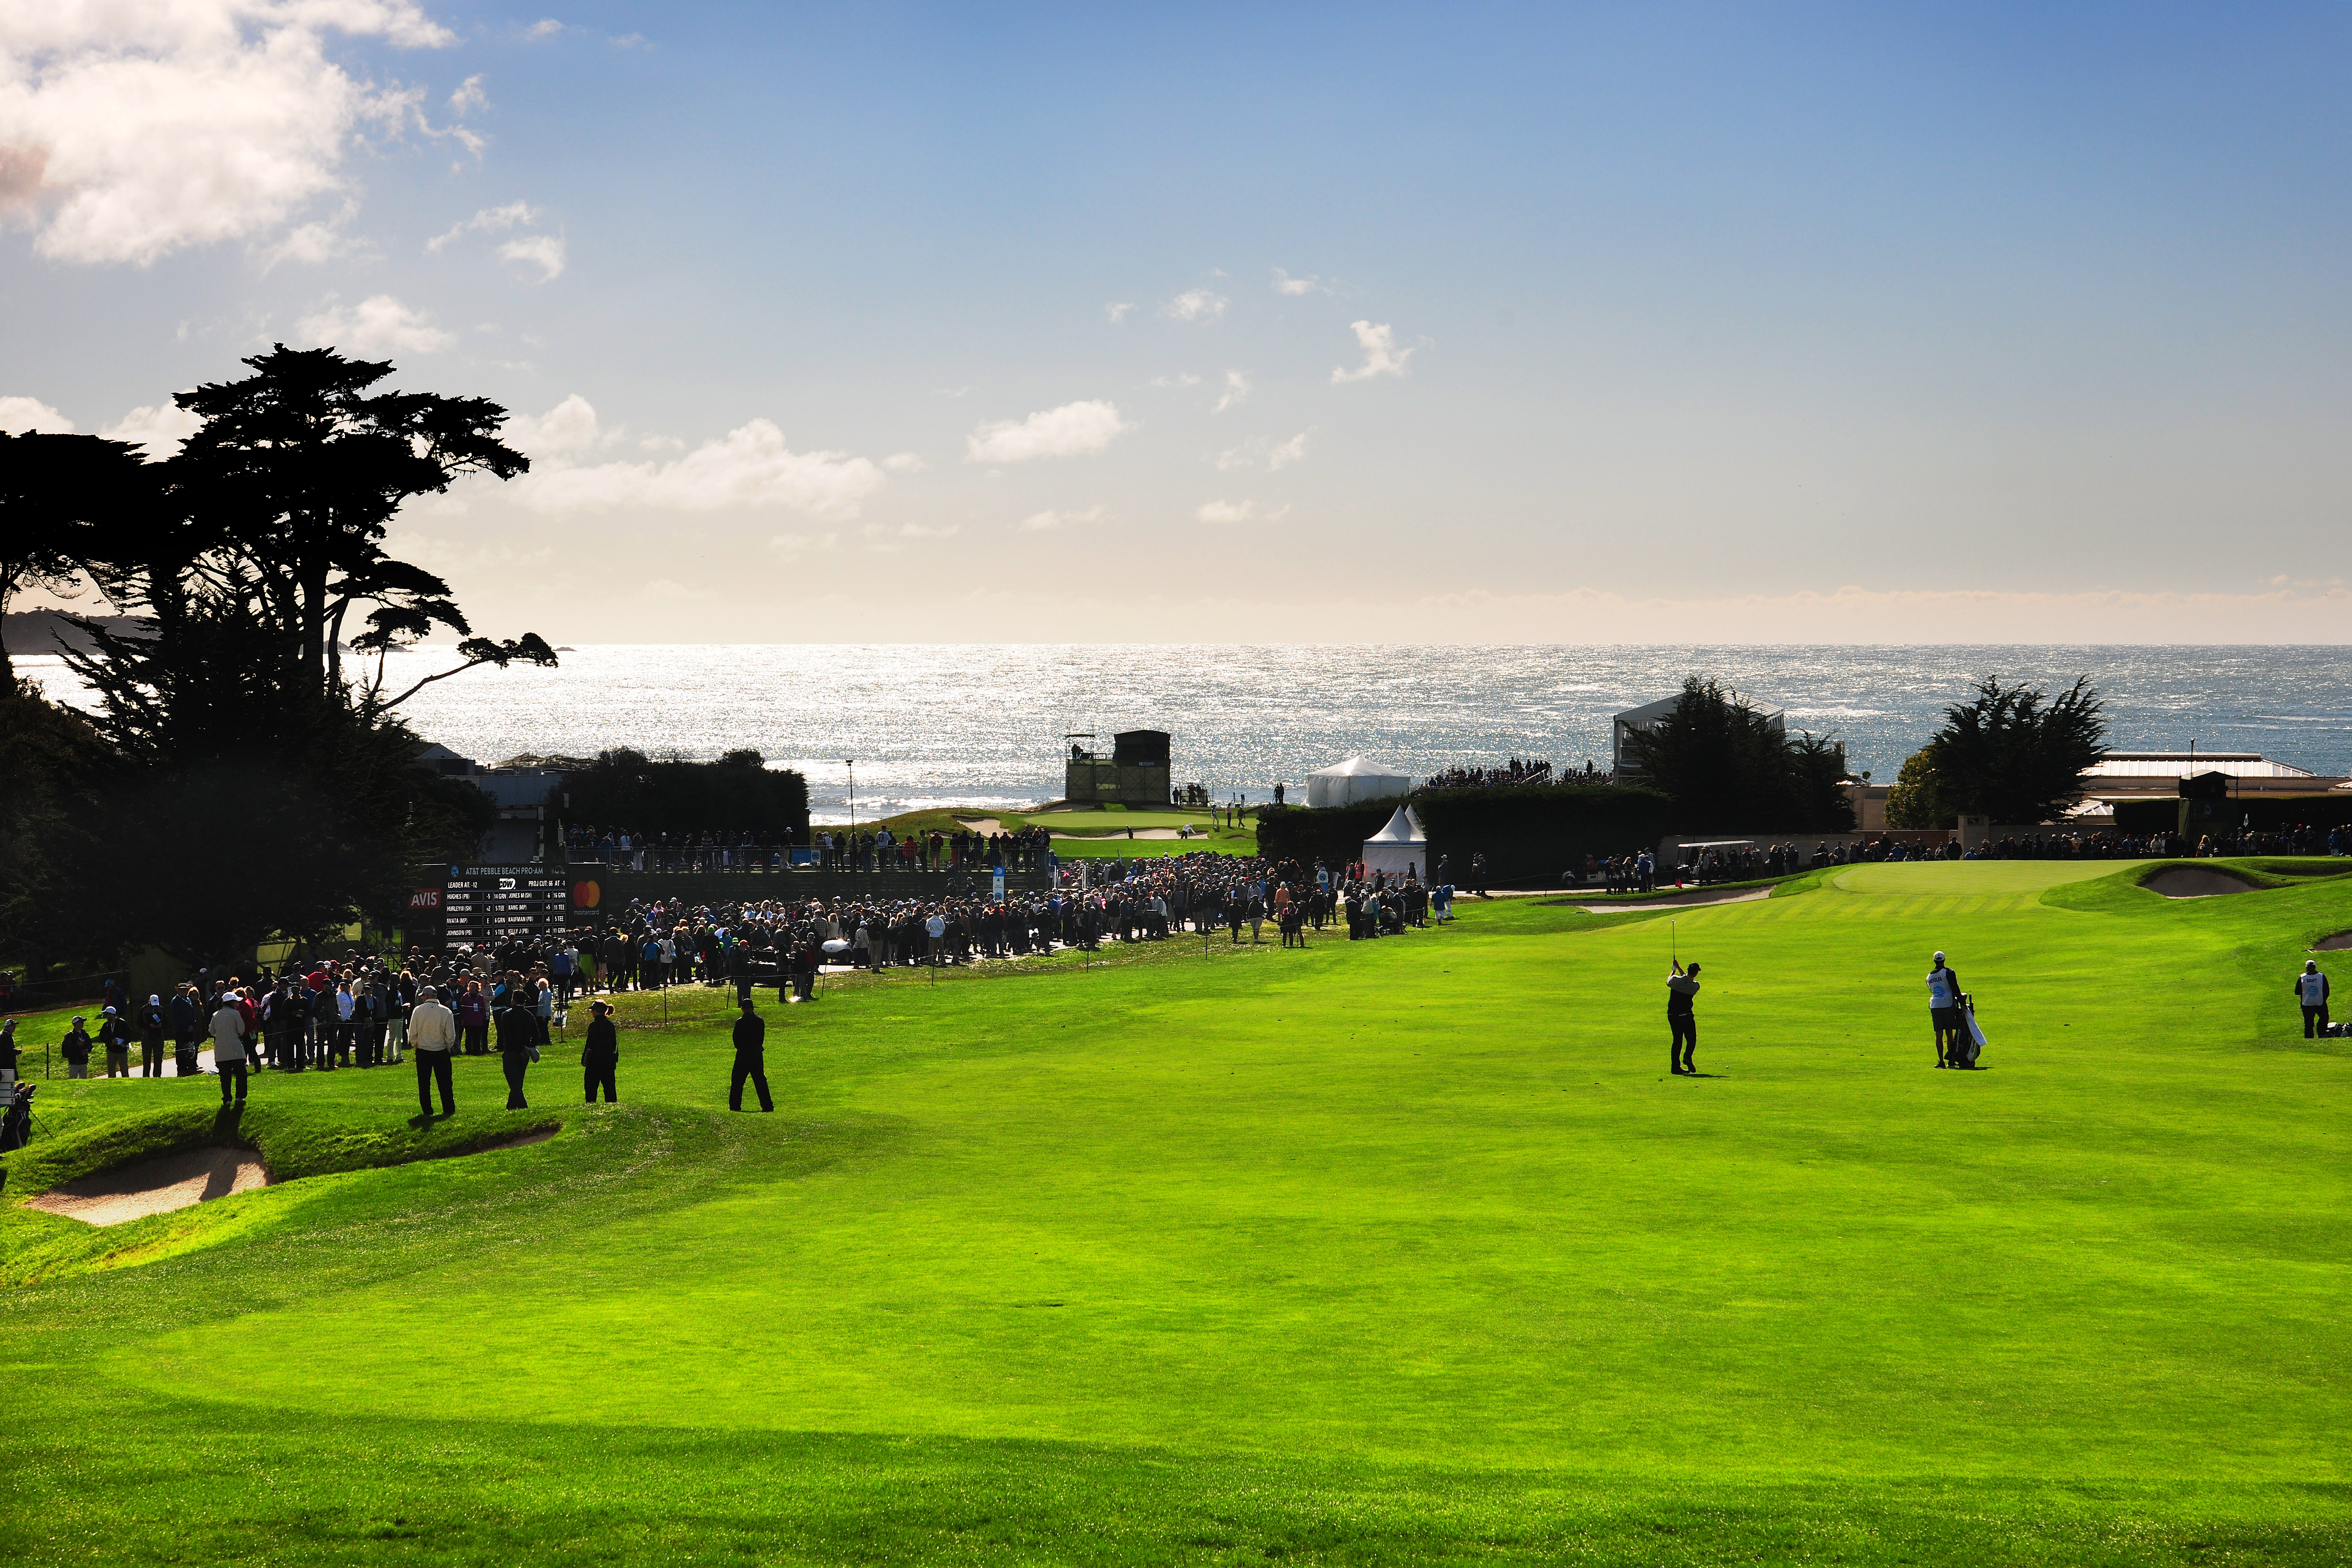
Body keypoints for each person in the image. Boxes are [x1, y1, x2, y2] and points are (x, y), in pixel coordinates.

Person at [409, 984, 458, 1117]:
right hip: (441, 1050)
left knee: (424, 1083)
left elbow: (412, 1034)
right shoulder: (446, 1011)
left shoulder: (418, 1011)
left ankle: (427, 1110)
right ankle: (448, 1108)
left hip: (423, 1051)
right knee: (446, 1083)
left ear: (426, 996)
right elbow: (451, 1035)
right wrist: (447, 1047)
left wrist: (417, 1046)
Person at [494, 991, 537, 1110]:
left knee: (515, 1085)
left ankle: (524, 1108)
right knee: (518, 1082)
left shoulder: (506, 1015)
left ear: (513, 999)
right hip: (525, 1055)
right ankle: (511, 1108)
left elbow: (507, 1036)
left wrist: (520, 1048)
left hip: (511, 1052)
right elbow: (537, 1036)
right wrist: (527, 1048)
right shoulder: (529, 1015)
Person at [729, 997, 773, 1112]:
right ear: (753, 1008)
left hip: (743, 1054)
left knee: (737, 1081)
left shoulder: (740, 1022)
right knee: (760, 1081)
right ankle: (767, 1106)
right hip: (756, 1053)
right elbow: (761, 1039)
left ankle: (735, 1106)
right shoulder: (760, 1021)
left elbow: (736, 1040)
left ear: (742, 1009)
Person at [210, 993, 250, 1104]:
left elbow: (211, 1031)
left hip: (221, 1051)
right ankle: (240, 1097)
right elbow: (241, 1030)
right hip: (236, 1049)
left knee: (225, 1077)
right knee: (241, 1074)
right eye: (236, 1002)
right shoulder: (235, 1014)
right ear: (232, 1003)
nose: (237, 1004)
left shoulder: (216, 1015)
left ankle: (227, 1098)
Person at [1928, 951, 1963, 1067]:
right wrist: (1963, 1004)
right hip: (1947, 1005)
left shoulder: (1929, 977)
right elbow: (1955, 988)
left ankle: (1941, 1062)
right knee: (1949, 1033)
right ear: (1944, 960)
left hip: (1935, 1007)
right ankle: (1952, 1061)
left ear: (1934, 961)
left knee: (1939, 1035)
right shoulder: (1949, 972)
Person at [1667, 960, 1701, 1075]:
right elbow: (1687, 979)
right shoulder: (1695, 986)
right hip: (1686, 1015)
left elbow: (1669, 981)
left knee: (1677, 1041)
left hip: (1673, 1015)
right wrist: (1679, 968)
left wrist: (1674, 970)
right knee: (1691, 1039)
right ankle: (1687, 1057)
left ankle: (1675, 1068)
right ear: (1696, 973)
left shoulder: (1675, 980)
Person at [582, 1000, 618, 1103]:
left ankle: (591, 1105)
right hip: (608, 1061)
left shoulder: (594, 1026)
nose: (591, 1012)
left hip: (594, 1062)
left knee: (591, 1088)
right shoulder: (610, 1025)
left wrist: (585, 1059)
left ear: (597, 1011)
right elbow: (613, 1044)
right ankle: (612, 1105)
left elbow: (590, 1045)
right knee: (610, 1088)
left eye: (593, 1010)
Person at [2296, 959, 2331, 1037]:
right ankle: (2322, 1034)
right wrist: (2323, 999)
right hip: (2320, 1003)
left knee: (2309, 1023)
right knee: (2324, 1018)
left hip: (2307, 1004)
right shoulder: (2321, 977)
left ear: (2306, 968)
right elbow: (2327, 991)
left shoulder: (2303, 977)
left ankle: (2309, 1038)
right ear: (2315, 967)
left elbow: (2297, 992)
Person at [61, 1015, 94, 1079]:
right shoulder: (70, 1036)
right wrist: (77, 1046)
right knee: (73, 1080)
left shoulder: (84, 1033)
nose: (83, 1023)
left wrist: (86, 1050)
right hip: (74, 1062)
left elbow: (89, 1044)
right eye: (81, 1022)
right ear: (76, 1024)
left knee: (84, 1080)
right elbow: (68, 1048)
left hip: (83, 1061)